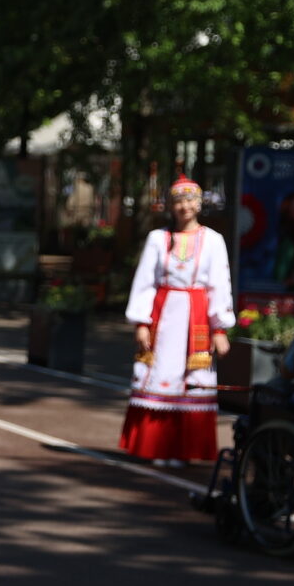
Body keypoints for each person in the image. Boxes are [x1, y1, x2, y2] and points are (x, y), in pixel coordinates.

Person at [121, 176, 233, 466]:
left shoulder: (213, 240)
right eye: (179, 201)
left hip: (197, 317)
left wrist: (219, 327)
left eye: (190, 200)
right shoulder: (158, 239)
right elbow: (145, 281)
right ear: (171, 206)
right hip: (165, 315)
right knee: (161, 374)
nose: (185, 206)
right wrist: (142, 322)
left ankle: (183, 449)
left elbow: (220, 285)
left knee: (192, 379)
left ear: (199, 203)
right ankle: (157, 446)